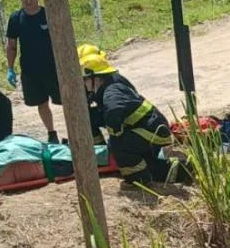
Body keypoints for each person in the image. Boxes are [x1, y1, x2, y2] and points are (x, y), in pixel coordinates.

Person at [80, 53, 188, 185]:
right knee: (152, 168)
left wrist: (116, 135)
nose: (84, 83)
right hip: (147, 129)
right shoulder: (111, 83)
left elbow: (113, 111)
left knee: (119, 144)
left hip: (152, 132)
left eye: (85, 79)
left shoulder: (111, 91)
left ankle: (138, 181)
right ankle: (186, 169)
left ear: (95, 78)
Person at [5, 0, 60, 144]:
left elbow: (61, 41)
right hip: (31, 71)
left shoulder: (48, 15)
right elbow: (12, 45)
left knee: (67, 101)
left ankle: (76, 130)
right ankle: (52, 133)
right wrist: (10, 68)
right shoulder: (15, 18)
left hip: (54, 69)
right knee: (41, 103)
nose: (28, 1)